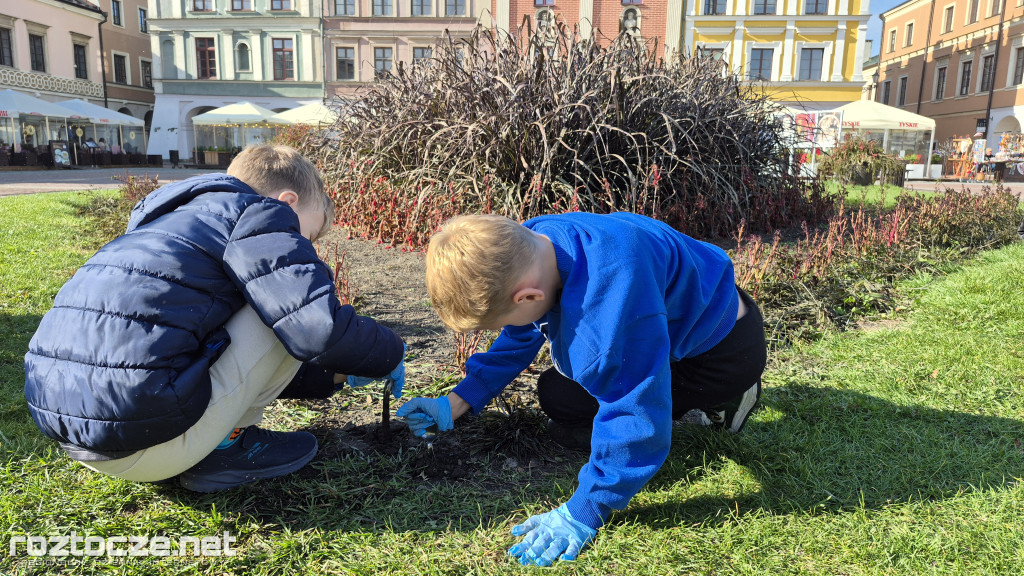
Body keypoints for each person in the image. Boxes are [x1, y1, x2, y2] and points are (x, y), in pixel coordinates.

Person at [24, 144, 406, 492]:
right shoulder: (259, 215)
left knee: (271, 304)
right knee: (280, 305)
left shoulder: (171, 220)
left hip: (78, 437)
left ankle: (217, 440)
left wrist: (336, 374)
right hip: (149, 444)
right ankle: (226, 447)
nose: (307, 248)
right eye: (308, 235)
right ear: (287, 204)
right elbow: (314, 328)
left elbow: (227, 360)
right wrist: (392, 351)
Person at [398, 212, 767, 566]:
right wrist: (458, 400)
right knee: (561, 396)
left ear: (528, 298)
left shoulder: (604, 317)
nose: (506, 327)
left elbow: (634, 410)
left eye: (502, 320)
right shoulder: (533, 242)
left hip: (723, 353)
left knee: (616, 398)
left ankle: (731, 397)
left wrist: (585, 509)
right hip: (674, 310)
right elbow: (521, 333)